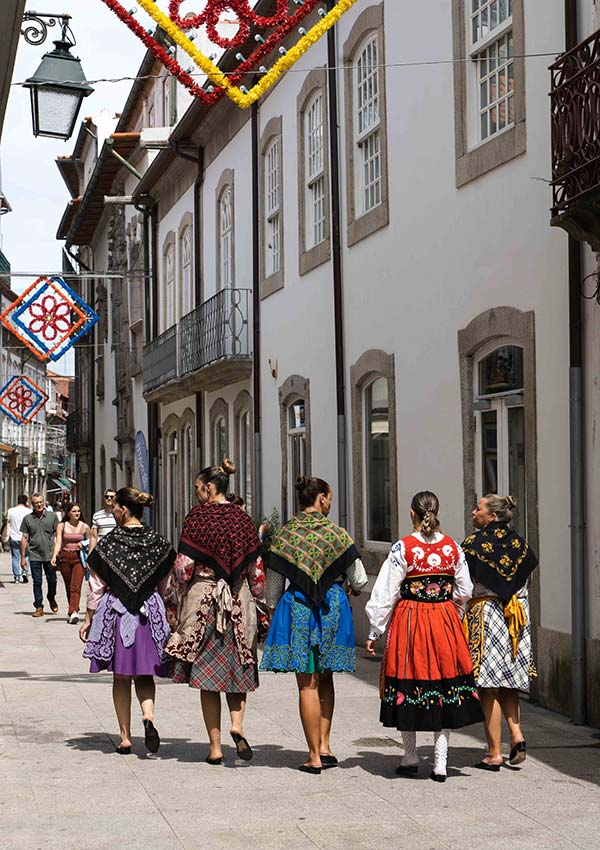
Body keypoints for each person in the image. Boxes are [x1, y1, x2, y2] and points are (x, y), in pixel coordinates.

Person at [365, 491, 483, 782]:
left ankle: (410, 755)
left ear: (411, 514)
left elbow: (386, 591)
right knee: (443, 683)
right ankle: (441, 762)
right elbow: (465, 589)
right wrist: (451, 608)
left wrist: (375, 629)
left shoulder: (402, 548)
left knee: (409, 679)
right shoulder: (453, 548)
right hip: (443, 620)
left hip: (410, 620)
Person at [261, 475, 368, 774]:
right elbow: (358, 578)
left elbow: (272, 590)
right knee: (327, 677)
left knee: (306, 682)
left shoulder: (284, 535)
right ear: (321, 498)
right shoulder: (337, 534)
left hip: (298, 610)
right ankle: (325, 745)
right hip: (332, 608)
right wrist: (352, 587)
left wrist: (272, 610)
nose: (330, 503)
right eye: (330, 497)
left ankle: (312, 755)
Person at [165, 460, 263, 765]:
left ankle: (216, 747)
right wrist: (257, 599)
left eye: (197, 488)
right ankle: (237, 725)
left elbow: (184, 567)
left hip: (204, 603)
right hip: (235, 601)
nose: (196, 494)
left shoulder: (197, 518)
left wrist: (178, 591)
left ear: (210, 487)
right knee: (239, 667)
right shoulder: (243, 520)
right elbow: (256, 571)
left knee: (208, 677)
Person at [79, 487, 175, 755]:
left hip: (117, 614)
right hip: (149, 613)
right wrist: (165, 606)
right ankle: (149, 717)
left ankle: (124, 737)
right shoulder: (158, 541)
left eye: (115, 508)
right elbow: (166, 583)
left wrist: (88, 618)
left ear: (122, 509)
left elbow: (96, 585)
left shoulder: (109, 543)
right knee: (144, 674)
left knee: (121, 677)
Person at [462, 494, 539, 771]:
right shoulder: (521, 546)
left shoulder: (474, 545)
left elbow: (465, 583)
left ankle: (494, 753)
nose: (473, 513)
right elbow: (526, 579)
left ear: (492, 517)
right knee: (508, 681)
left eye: (478, 508)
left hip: (487, 614)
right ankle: (517, 735)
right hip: (516, 616)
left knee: (487, 685)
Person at [51, 502, 91, 625]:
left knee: (76, 586)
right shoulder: (62, 526)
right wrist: (54, 556)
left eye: (78, 511)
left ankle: (73, 611)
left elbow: (90, 542)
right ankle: (74, 609)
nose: (77, 513)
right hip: (65, 557)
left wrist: (88, 556)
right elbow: (58, 542)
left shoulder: (85, 527)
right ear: (68, 513)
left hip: (79, 558)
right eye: (74, 511)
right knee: (69, 586)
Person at [21, 494, 59, 617]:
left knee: (52, 580)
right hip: (34, 554)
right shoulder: (28, 519)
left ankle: (51, 596)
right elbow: (25, 537)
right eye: (36, 502)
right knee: (37, 581)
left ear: (44, 503)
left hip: (49, 554)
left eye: (41, 502)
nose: (39, 504)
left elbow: (58, 536)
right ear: (32, 504)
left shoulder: (52, 517)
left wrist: (57, 553)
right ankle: (38, 606)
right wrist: (22, 558)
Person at [6, 495, 31, 583]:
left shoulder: (11, 511)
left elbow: (7, 522)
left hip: (14, 536)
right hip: (25, 537)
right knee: (26, 556)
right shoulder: (29, 511)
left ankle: (16, 577)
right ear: (26, 501)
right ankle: (24, 572)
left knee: (15, 557)